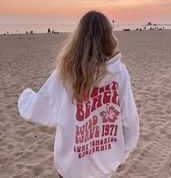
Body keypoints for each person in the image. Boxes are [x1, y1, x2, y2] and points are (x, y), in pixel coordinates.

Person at [18, 11, 139, 178]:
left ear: (79, 38)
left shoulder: (65, 74)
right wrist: (122, 154)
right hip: (104, 166)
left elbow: (41, 107)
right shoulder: (119, 72)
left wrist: (25, 95)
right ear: (108, 38)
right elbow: (129, 119)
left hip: (71, 167)